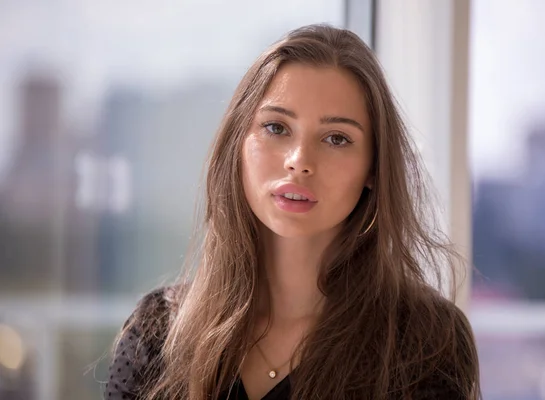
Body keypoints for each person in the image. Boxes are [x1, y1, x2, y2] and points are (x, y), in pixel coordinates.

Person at [104, 24, 480, 400]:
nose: (299, 161)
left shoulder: (427, 342)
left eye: (336, 138)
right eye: (276, 127)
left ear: (373, 169)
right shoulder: (157, 332)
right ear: (238, 144)